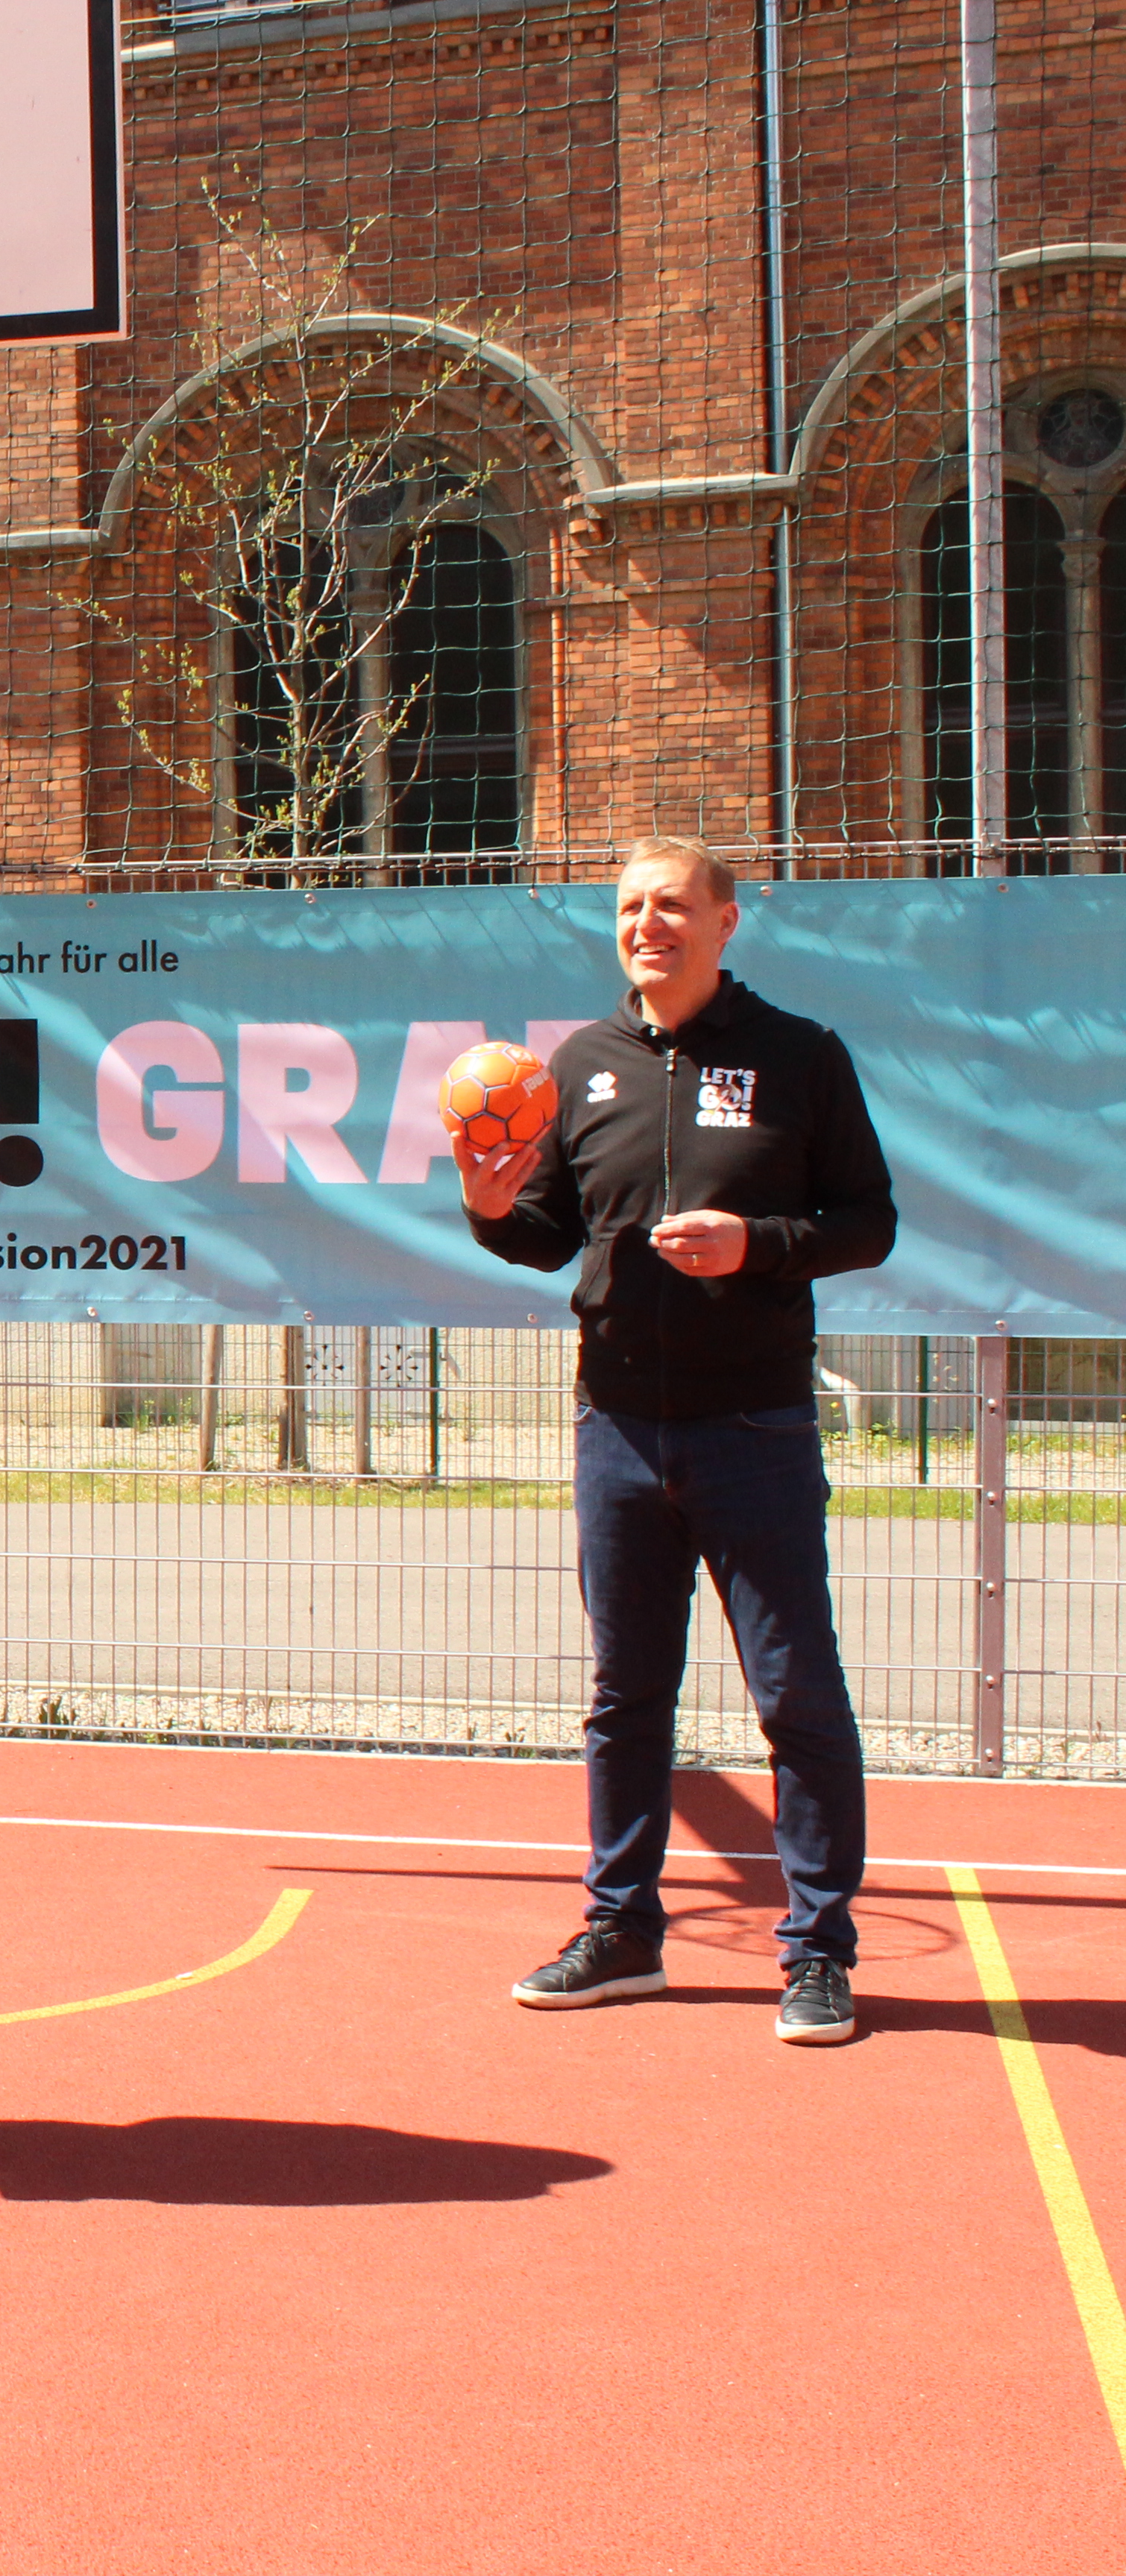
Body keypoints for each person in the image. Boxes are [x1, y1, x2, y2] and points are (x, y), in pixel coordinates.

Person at [460, 835, 895, 2045]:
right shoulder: (580, 1066)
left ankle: (815, 1951)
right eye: (629, 908)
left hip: (751, 1426)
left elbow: (866, 1220)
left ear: (723, 920)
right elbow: (545, 1235)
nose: (645, 924)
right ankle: (621, 1930)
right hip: (614, 1430)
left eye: (670, 906)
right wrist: (489, 1209)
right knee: (621, 1697)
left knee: (794, 1695)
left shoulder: (797, 1056)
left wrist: (753, 1243)